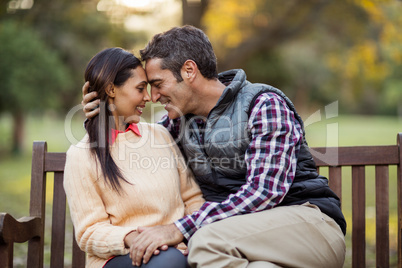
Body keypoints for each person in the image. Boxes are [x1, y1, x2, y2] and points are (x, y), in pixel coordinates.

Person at [82, 26, 347, 268]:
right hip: (241, 241)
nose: (153, 97)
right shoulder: (177, 125)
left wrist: (179, 228)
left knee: (205, 243)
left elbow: (265, 191)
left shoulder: (263, 105)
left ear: (189, 70)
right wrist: (105, 112)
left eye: (158, 84)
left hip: (307, 226)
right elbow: (136, 142)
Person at [64, 47, 205, 268]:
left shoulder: (161, 135)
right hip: (119, 258)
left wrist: (184, 234)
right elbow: (89, 231)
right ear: (111, 89)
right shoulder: (82, 156)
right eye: (140, 89)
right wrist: (135, 239)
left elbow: (193, 199)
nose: (148, 97)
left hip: (178, 250)